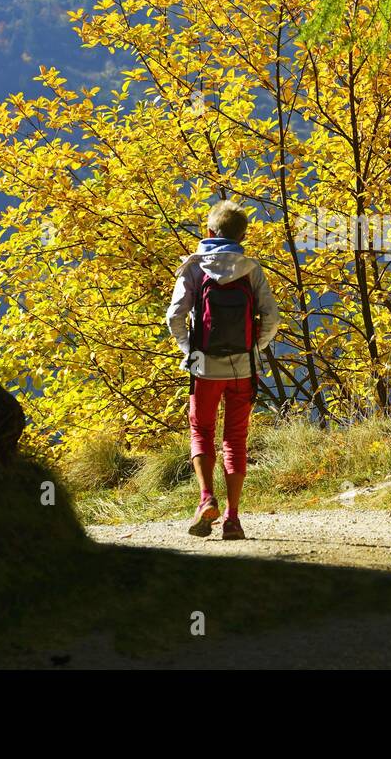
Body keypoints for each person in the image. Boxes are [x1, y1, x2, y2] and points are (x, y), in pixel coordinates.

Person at [165, 200, 280, 540]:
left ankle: (205, 499)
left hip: (203, 364)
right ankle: (232, 518)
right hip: (243, 367)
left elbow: (174, 317)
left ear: (209, 232)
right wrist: (253, 349)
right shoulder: (251, 268)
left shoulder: (194, 267)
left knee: (201, 429)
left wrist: (190, 352)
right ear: (242, 235)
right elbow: (271, 318)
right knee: (235, 439)